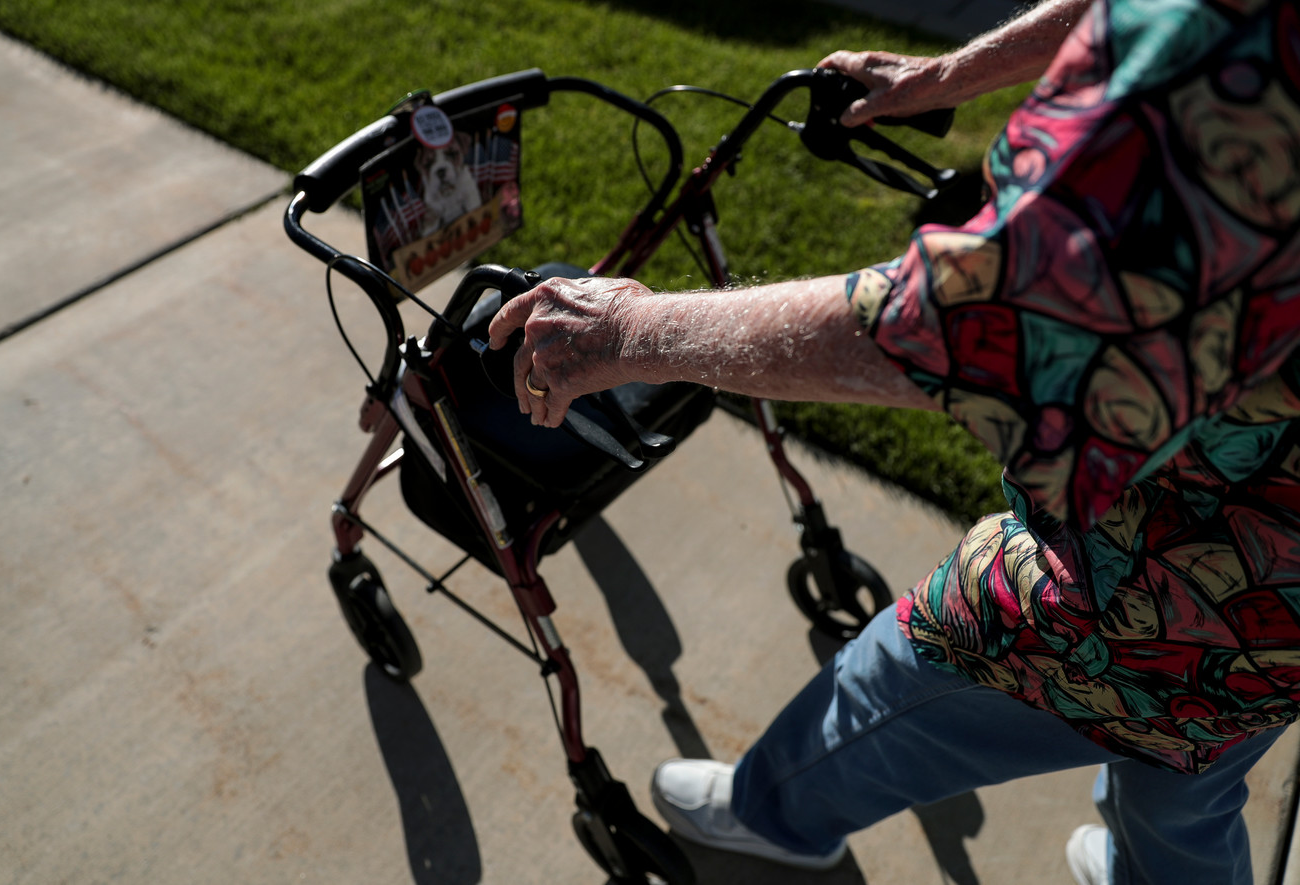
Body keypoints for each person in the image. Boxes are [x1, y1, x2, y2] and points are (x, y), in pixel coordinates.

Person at [487, 0, 1300, 881]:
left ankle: (773, 813)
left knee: (903, 673)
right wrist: (944, 77)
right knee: (1195, 759)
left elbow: (975, 331)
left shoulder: (1250, 72)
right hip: (1275, 611)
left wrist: (629, 334)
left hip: (1168, 572)